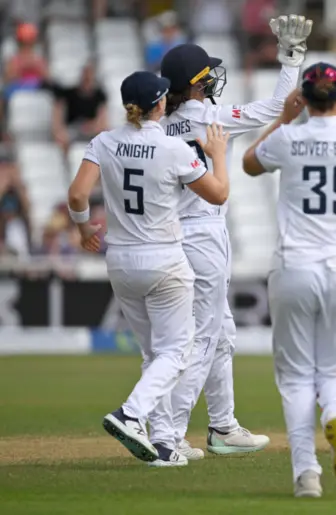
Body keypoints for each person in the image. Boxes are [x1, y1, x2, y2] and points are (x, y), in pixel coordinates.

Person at [153, 14, 313, 461]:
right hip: (202, 236)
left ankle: (222, 426)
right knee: (203, 337)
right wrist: (290, 59)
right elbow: (281, 106)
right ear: (199, 84)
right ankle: (170, 433)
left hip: (169, 233)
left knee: (220, 334)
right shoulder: (212, 120)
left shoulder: (159, 125)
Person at [242, 64, 336, 497]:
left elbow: (250, 163)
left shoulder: (289, 138)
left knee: (294, 376)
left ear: (305, 97)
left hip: (294, 268)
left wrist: (284, 118)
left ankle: (304, 472)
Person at [66, 70, 230, 466]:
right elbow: (219, 193)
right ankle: (130, 414)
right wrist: (219, 155)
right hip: (164, 259)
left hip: (120, 260)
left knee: (153, 354)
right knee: (176, 351)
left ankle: (162, 444)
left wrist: (85, 226)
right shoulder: (173, 147)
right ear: (160, 104)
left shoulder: (104, 141)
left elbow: (76, 193)